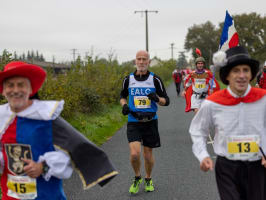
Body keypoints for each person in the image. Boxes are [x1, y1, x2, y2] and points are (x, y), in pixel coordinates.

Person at [0, 61, 118, 200]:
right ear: (3, 90)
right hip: (11, 196)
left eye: (21, 84)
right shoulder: (2, 117)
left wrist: (42, 167)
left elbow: (69, 153)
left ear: (31, 89)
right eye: (10, 85)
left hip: (46, 195)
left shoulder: (46, 116)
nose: (15, 90)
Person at [189, 46, 266, 200]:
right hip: (227, 168)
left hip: (258, 166)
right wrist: (203, 155)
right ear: (227, 76)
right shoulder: (212, 103)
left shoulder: (263, 98)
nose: (242, 75)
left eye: (246, 70)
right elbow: (198, 130)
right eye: (236, 71)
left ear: (251, 75)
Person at [120, 50, 169, 194]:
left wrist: (157, 99)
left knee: (147, 155)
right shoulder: (128, 79)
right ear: (135, 61)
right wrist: (124, 105)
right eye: (139, 59)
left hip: (150, 122)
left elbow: (166, 101)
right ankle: (137, 177)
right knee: (135, 154)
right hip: (134, 121)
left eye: (144, 59)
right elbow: (122, 96)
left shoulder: (155, 79)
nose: (141, 62)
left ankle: (148, 178)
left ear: (148, 61)